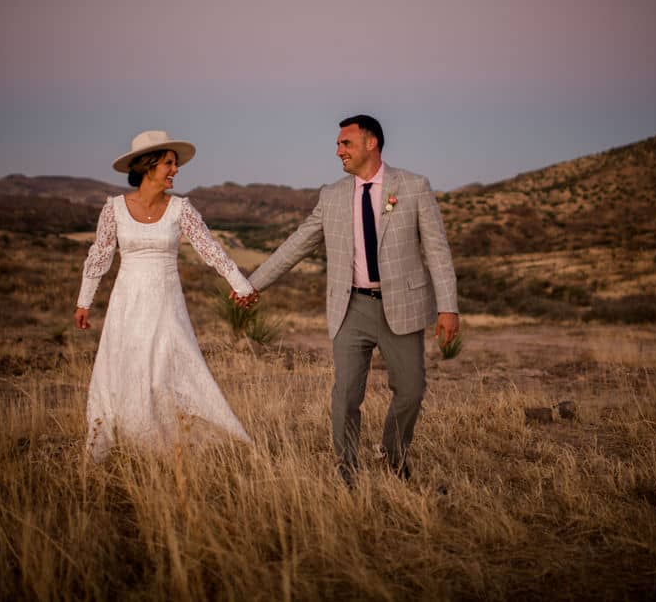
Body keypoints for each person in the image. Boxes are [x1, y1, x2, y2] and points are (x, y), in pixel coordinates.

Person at [243, 114, 459, 484]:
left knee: (411, 390)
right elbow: (297, 244)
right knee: (345, 395)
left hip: (401, 306)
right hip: (350, 307)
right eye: (339, 144)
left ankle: (394, 454)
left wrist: (448, 307)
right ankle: (347, 468)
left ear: (370, 143)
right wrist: (253, 283)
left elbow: (437, 251)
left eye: (346, 143)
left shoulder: (413, 186)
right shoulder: (331, 195)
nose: (338, 150)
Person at [74, 130, 259, 461]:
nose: (175, 170)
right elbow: (99, 255)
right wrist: (84, 301)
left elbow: (209, 248)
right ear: (148, 166)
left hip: (166, 303)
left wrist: (240, 284)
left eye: (175, 164)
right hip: (127, 303)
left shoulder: (181, 209)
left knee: (165, 373)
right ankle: (130, 442)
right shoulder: (114, 208)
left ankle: (170, 444)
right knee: (126, 368)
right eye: (169, 164)